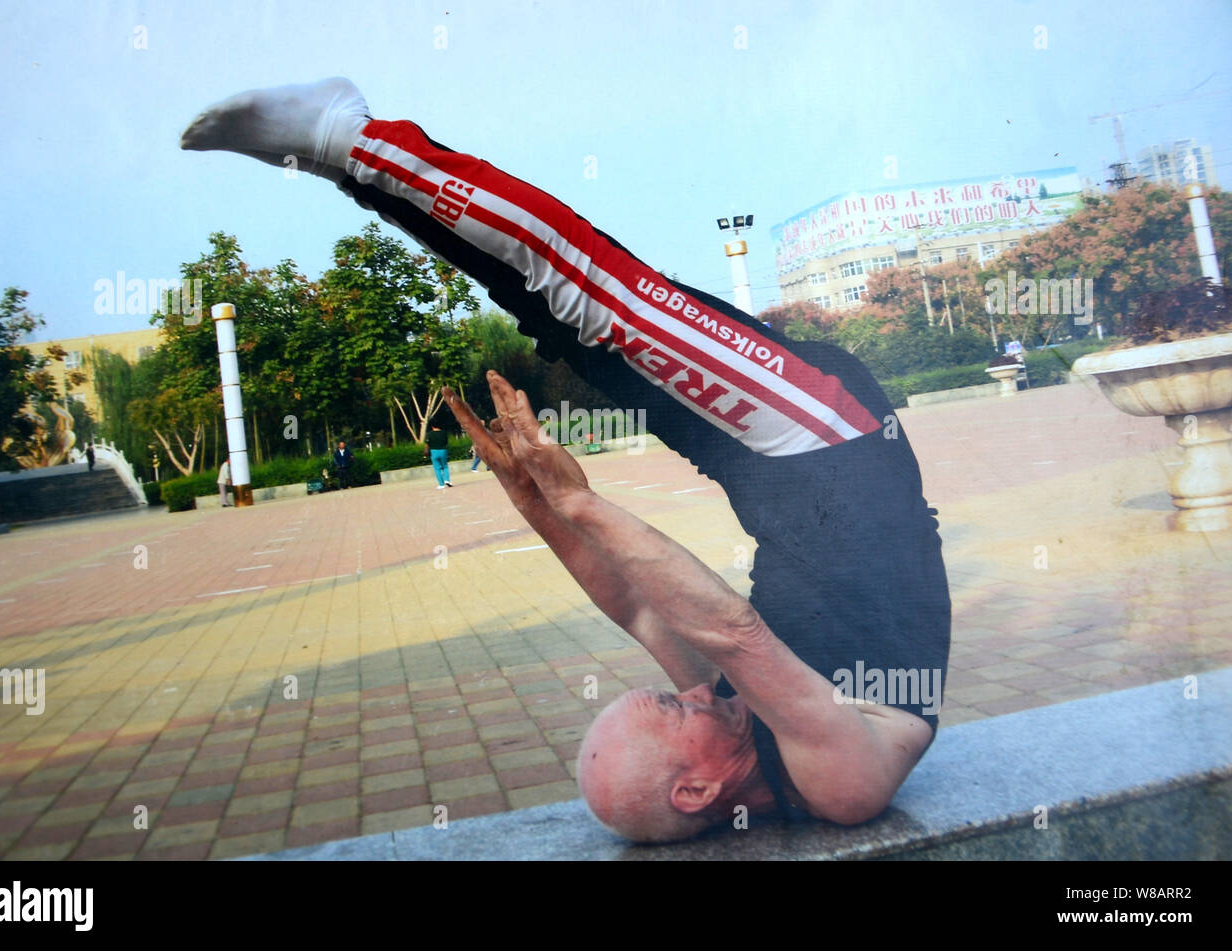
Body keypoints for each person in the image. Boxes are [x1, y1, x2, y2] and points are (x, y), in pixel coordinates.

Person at [181, 78, 950, 842]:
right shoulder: (841, 779)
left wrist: (537, 504)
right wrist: (584, 503)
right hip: (832, 447)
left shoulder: (722, 725)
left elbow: (638, 604)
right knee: (598, 295)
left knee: (559, 319)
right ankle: (351, 138)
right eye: (675, 708)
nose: (693, 695)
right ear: (695, 789)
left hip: (772, 478)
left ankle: (347, 170)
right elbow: (735, 631)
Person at [425, 423, 451, 488]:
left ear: (432, 426)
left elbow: (427, 444)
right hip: (443, 450)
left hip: (434, 451)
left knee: (437, 468)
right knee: (445, 466)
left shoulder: (429, 434)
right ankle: (447, 480)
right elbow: (446, 442)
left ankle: (441, 484)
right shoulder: (444, 433)